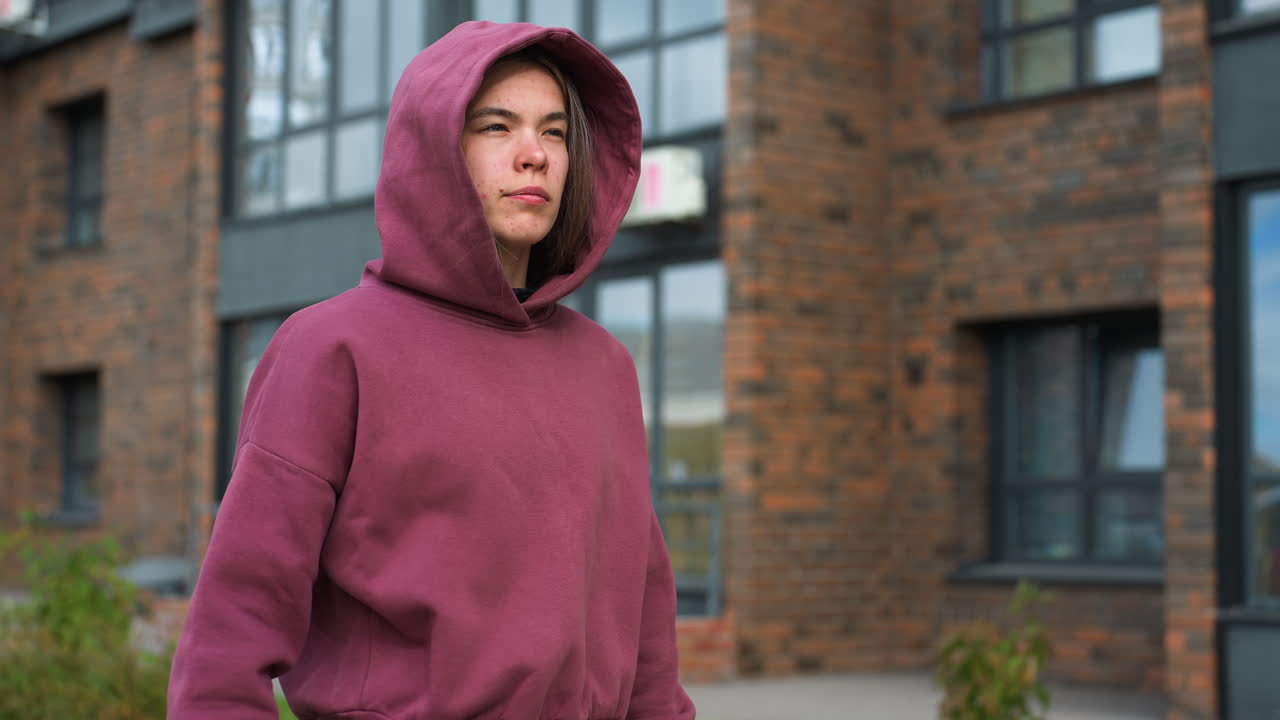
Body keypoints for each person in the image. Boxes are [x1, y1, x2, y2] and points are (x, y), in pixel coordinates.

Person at [167, 20, 696, 720]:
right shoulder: (331, 348)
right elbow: (232, 632)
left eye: (556, 132)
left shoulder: (605, 367)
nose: (534, 154)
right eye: (496, 127)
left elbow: (645, 615)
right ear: (433, 146)